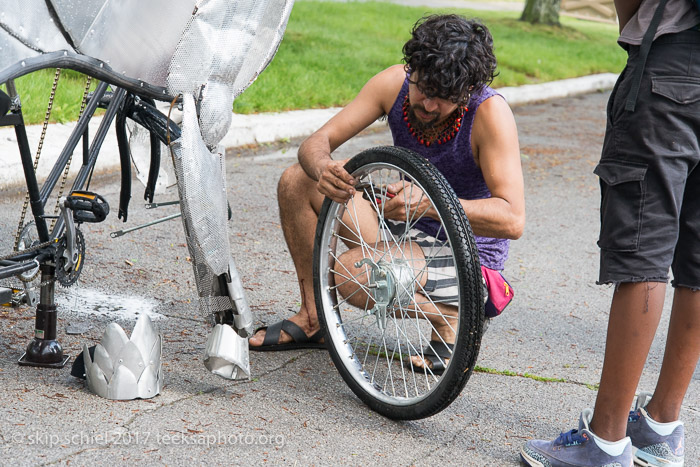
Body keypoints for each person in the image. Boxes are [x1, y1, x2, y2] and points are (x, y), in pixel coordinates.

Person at [249, 14, 525, 370]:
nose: (427, 105)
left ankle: (451, 318)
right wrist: (323, 169)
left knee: (351, 275)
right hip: (406, 228)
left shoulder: (489, 113)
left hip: (468, 256)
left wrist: (429, 205)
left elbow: (512, 220)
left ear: (468, 92)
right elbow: (317, 143)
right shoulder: (394, 84)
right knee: (297, 181)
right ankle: (313, 319)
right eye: (423, 88)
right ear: (412, 68)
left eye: (443, 99)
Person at [521, 1, 700, 466]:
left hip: (674, 65)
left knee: (645, 249)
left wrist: (636, 30)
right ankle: (660, 427)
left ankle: (605, 441)